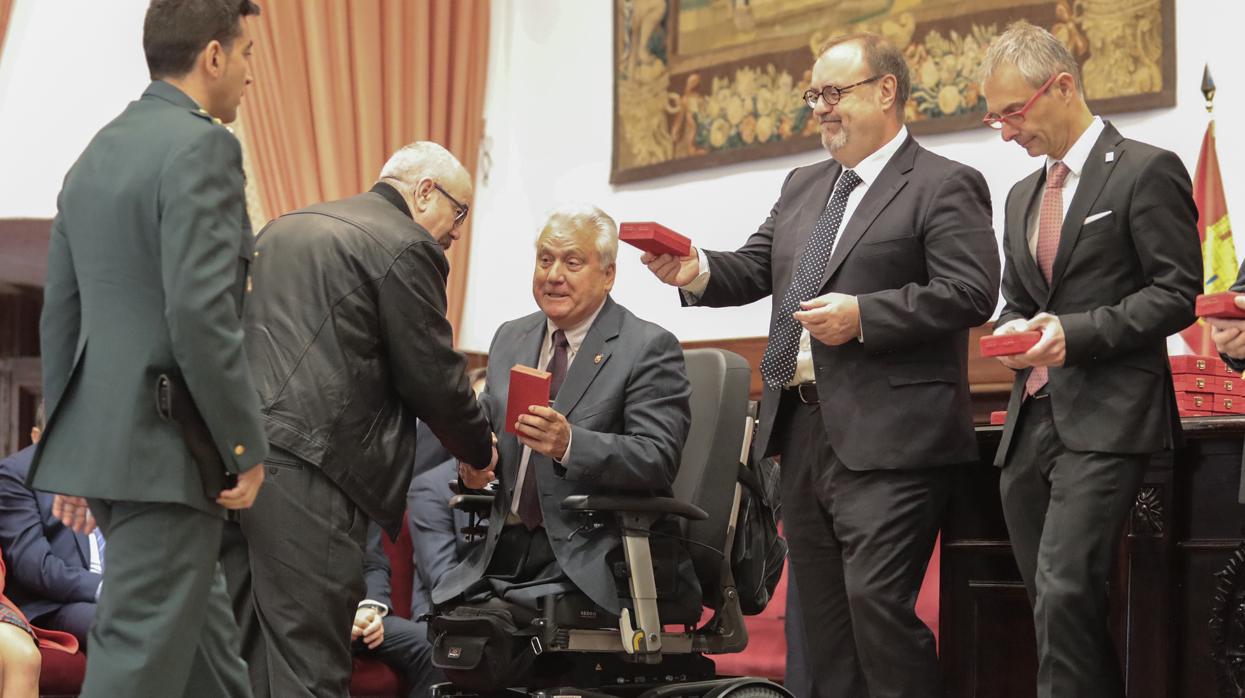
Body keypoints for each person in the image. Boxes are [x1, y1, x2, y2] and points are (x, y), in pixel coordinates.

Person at [643, 32, 999, 698]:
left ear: (886, 91)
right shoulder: (805, 184)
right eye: (813, 96)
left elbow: (971, 291)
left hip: (896, 437)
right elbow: (755, 266)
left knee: (878, 610)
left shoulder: (943, 183)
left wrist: (864, 315)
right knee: (823, 628)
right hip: (801, 433)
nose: (820, 109)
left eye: (833, 93)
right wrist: (694, 269)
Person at [31, 1, 269, 696]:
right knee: (134, 661)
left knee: (208, 657)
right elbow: (201, 313)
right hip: (168, 452)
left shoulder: (96, 152)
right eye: (247, 53)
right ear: (214, 56)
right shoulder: (204, 146)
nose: (251, 74)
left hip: (116, 450)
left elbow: (62, 315)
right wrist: (243, 448)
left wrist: (71, 445)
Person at [980, 21, 1200, 698]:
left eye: (1013, 112)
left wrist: (1072, 335)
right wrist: (1013, 332)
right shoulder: (1020, 195)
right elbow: (1016, 299)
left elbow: (1175, 295)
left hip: (1107, 417)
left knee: (1065, 589)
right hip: (1029, 424)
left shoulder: (1143, 168)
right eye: (995, 120)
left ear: (1063, 86)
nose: (1008, 133)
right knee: (1053, 603)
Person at [230, 140, 496, 697]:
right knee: (311, 663)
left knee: (248, 656)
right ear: (425, 192)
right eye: (460, 213)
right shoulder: (405, 245)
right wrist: (479, 452)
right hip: (312, 468)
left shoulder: (283, 227)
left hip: (235, 463)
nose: (456, 231)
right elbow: (435, 378)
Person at [434, 203, 699, 623]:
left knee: (501, 640)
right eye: (545, 260)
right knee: (446, 628)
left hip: (592, 555)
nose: (553, 274)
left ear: (609, 275)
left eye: (572, 261)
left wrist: (570, 444)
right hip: (503, 548)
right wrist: (474, 462)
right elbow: (487, 429)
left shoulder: (646, 347)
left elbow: (657, 460)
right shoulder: (511, 337)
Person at [0, 403, 101, 647]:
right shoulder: (18, 472)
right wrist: (105, 588)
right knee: (123, 621)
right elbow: (35, 567)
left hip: (125, 590)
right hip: (56, 604)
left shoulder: (117, 469)